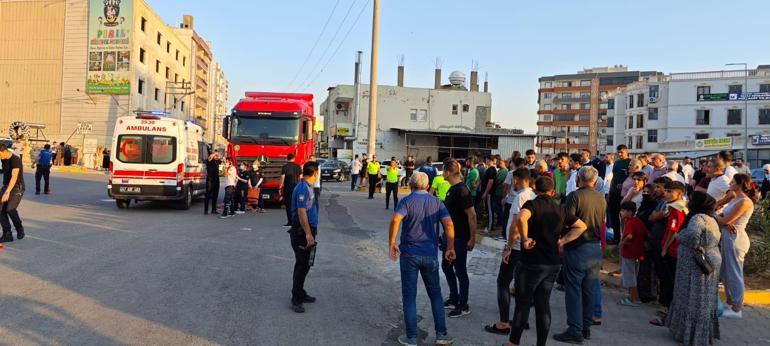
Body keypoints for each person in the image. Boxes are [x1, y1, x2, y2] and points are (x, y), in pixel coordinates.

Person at [504, 176, 587, 346]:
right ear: (553, 192)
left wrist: (525, 238)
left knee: (523, 304)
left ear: (535, 190)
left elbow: (521, 218)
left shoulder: (532, 205)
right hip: (553, 263)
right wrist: (563, 241)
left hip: (531, 262)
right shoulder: (561, 210)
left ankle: (513, 342)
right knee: (543, 305)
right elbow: (582, 226)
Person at [388, 172, 456, 346]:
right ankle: (441, 335)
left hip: (409, 254)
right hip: (430, 254)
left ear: (410, 184)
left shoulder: (406, 201)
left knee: (409, 296)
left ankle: (411, 337)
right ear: (427, 186)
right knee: (435, 295)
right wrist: (450, 247)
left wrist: (392, 242)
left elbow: (396, 220)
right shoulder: (437, 202)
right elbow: (448, 223)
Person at [554, 166, 606, 344]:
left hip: (578, 246)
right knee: (589, 289)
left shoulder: (574, 196)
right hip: (595, 246)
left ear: (579, 179)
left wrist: (561, 239)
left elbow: (567, 221)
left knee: (574, 290)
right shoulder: (601, 198)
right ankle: (585, 327)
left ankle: (575, 330)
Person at [665, 192, 722, 346]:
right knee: (704, 299)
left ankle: (690, 335)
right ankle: (701, 335)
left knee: (691, 297)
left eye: (690, 200)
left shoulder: (697, 218)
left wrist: (679, 237)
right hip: (708, 262)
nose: (688, 202)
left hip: (695, 265)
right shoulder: (712, 218)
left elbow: (691, 237)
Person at [485, 168, 536, 335]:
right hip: (528, 247)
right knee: (522, 286)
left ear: (516, 179)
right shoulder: (533, 196)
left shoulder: (520, 197)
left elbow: (515, 225)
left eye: (513, 180)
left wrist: (508, 247)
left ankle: (504, 322)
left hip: (516, 247)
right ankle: (522, 321)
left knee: (502, 283)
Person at [715, 173, 756, 318]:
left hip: (736, 239)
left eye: (733, 181)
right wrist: (721, 217)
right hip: (727, 237)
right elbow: (722, 215)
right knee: (726, 272)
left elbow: (725, 220)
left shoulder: (745, 201)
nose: (730, 183)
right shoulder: (734, 198)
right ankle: (730, 302)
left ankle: (737, 308)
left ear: (740, 184)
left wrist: (718, 217)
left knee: (734, 273)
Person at [441, 160, 477, 319]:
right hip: (449, 237)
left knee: (460, 270)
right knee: (446, 266)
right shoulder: (452, 189)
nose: (442, 173)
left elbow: (472, 215)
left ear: (448, 172)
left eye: (443, 170)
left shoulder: (462, 190)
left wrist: (472, 238)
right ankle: (454, 297)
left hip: (460, 238)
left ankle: (463, 304)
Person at [650, 181, 689, 325]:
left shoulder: (677, 208)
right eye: (665, 191)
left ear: (678, 194)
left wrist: (665, 248)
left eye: (669, 191)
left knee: (669, 281)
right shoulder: (675, 206)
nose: (666, 194)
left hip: (672, 250)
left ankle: (668, 312)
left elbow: (673, 230)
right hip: (671, 249)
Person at [289, 162, 320, 313]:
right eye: (318, 171)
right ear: (315, 172)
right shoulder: (302, 188)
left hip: (308, 230)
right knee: (301, 264)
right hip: (302, 232)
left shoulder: (308, 186)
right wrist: (308, 233)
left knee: (307, 263)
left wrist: (313, 230)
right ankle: (296, 298)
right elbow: (301, 212)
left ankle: (300, 291)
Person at [618, 202, 647, 307]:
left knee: (630, 277)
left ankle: (633, 299)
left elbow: (629, 236)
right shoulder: (638, 221)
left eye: (623, 210)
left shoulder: (630, 222)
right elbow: (646, 234)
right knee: (633, 275)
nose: (621, 212)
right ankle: (633, 297)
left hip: (629, 253)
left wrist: (622, 243)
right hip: (638, 253)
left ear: (629, 212)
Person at [0, 143, 25, 243]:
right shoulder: (3, 159)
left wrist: (7, 192)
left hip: (17, 187)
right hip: (6, 186)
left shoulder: (15, 160)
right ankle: (7, 234)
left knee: (10, 209)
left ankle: (19, 228)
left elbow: (14, 177)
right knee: (0, 209)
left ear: (4, 151)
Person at [609, 145, 631, 236]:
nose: (620, 154)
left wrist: (623, 184)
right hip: (614, 192)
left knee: (624, 216)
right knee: (614, 215)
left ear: (626, 151)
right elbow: (613, 177)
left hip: (625, 194)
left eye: (621, 152)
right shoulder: (617, 162)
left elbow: (632, 177)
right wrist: (610, 190)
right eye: (618, 152)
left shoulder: (630, 162)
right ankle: (616, 236)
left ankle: (624, 236)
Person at [280, 154, 303, 226]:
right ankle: (297, 221)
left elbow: (282, 178)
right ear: (294, 158)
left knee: (288, 205)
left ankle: (290, 222)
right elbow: (300, 177)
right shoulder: (298, 166)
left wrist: (280, 187)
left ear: (287, 159)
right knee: (297, 205)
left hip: (287, 188)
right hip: (296, 188)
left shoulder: (284, 167)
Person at [481, 156, 499, 231]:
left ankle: (490, 226)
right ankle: (489, 225)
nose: (486, 161)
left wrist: (486, 193)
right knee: (488, 209)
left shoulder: (491, 169)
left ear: (489, 160)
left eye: (487, 160)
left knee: (490, 209)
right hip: (488, 193)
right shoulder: (489, 169)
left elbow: (490, 182)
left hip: (490, 193)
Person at [494, 157, 509, 230]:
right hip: (498, 192)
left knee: (499, 208)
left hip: (500, 193)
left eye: (497, 163)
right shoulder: (501, 170)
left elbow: (498, 181)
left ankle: (500, 222)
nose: (496, 164)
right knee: (497, 208)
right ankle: (500, 221)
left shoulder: (504, 171)